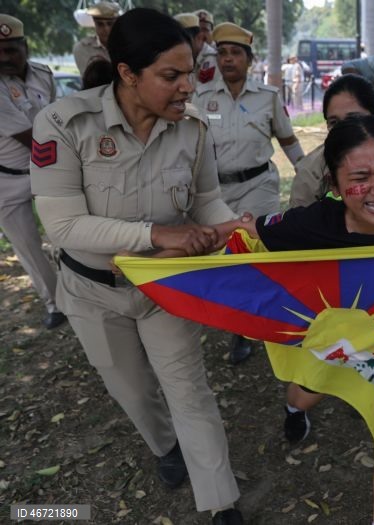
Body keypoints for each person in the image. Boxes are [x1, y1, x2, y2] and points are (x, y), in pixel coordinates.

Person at [141, 115, 374, 525]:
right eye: (359, 178)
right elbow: (243, 234)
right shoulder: (311, 223)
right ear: (334, 187)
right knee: (304, 394)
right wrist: (154, 265)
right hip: (336, 340)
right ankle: (294, 409)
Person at [30, 9, 246, 524]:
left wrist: (236, 226)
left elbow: (206, 201)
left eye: (190, 72)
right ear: (127, 73)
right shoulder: (63, 124)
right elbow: (62, 225)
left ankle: (221, 499)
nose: (187, 88)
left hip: (163, 287)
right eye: (170, 77)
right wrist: (155, 233)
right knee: (129, 388)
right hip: (90, 290)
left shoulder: (192, 129)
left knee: (189, 388)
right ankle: (163, 445)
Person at [192, 21, 305, 364]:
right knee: (229, 256)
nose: (228, 60)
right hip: (218, 191)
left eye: (235, 53)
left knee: (254, 251)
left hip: (259, 186)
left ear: (249, 59)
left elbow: (288, 142)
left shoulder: (267, 98)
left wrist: (311, 175)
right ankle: (239, 323)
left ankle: (261, 322)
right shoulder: (201, 98)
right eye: (222, 53)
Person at [0, 14, 66, 329]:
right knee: (27, 246)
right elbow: (31, 138)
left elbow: (55, 117)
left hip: (47, 166)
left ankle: (79, 290)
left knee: (67, 233)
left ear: (25, 46)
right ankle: (55, 303)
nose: (4, 57)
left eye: (11, 49)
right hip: (8, 177)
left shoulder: (43, 74)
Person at [289, 74, 374, 209]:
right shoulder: (310, 173)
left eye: (353, 119)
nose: (344, 130)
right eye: (334, 122)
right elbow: (299, 226)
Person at [73, 1, 120, 77]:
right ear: (94, 24)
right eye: (100, 24)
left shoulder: (127, 45)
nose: (106, 29)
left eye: (110, 24)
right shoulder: (83, 48)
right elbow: (91, 80)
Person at [174, 13, 219, 87]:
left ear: (199, 38)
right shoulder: (177, 58)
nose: (178, 46)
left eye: (185, 41)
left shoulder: (214, 60)